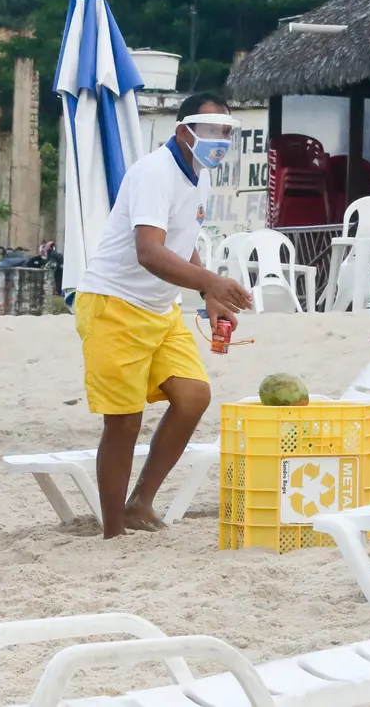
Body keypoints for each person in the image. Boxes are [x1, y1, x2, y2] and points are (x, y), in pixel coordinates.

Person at [73, 92, 254, 538]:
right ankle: (113, 530)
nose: (220, 140)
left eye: (226, 132)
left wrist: (207, 296)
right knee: (124, 420)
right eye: (210, 130)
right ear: (183, 132)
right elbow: (149, 252)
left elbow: (180, 240)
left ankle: (140, 503)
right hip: (113, 304)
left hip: (160, 307)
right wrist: (209, 282)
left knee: (193, 396)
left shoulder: (198, 174)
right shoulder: (155, 171)